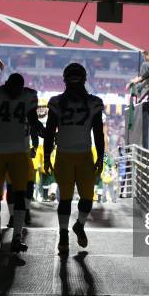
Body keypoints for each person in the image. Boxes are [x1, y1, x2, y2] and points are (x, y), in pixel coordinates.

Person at [0, 73, 44, 253]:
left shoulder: (0, 94)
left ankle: (16, 236)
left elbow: (34, 122)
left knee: (18, 194)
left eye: (18, 90)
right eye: (13, 89)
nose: (15, 93)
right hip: (4, 152)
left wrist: (49, 135)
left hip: (14, 152)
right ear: (7, 84)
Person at [44, 63, 105, 255]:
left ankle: (78, 226)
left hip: (78, 155)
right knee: (68, 199)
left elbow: (98, 132)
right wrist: (100, 157)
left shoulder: (58, 102)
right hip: (69, 155)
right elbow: (98, 134)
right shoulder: (91, 102)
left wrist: (46, 155)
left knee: (85, 199)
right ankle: (63, 233)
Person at [6, 125, 39, 227]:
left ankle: (27, 210)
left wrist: (34, 146)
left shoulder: (27, 113)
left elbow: (34, 130)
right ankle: (12, 216)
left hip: (25, 152)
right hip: (9, 153)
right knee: (11, 187)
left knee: (29, 183)